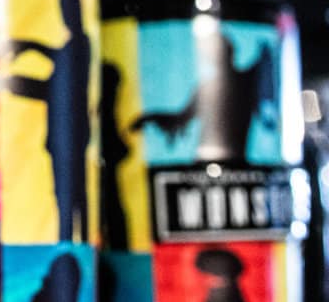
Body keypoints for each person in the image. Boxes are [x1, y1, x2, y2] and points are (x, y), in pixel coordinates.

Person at [0, 0, 91, 242]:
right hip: (61, 138)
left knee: (71, 196)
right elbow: (49, 90)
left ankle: (71, 246)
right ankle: (69, 244)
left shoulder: (78, 47)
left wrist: (4, 80)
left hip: (70, 139)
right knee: (66, 197)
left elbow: (52, 91)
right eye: (63, 9)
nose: (66, 16)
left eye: (69, 9)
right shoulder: (70, 49)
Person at [133, 33, 276, 162]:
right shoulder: (213, 86)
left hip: (232, 166)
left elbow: (180, 119)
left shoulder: (246, 81)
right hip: (213, 166)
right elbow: (180, 119)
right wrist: (150, 118)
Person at [100, 63, 130, 250]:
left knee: (112, 206)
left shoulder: (105, 100)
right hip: (110, 152)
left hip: (109, 153)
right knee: (112, 206)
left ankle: (118, 246)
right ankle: (118, 245)